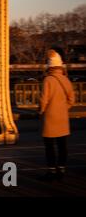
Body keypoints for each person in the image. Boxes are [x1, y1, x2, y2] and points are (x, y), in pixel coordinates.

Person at [39, 47, 75, 181]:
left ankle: (51, 171)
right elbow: (72, 100)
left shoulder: (48, 80)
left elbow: (44, 100)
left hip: (50, 119)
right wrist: (63, 109)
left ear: (50, 67)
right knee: (62, 145)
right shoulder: (66, 80)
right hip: (63, 118)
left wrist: (41, 111)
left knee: (49, 147)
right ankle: (61, 169)